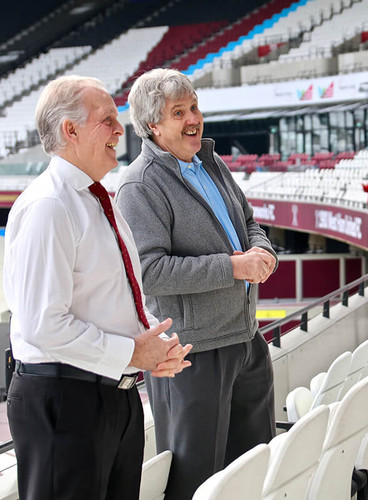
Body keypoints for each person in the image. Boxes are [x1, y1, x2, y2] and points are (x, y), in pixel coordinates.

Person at [3, 75, 192, 500]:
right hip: (65, 403)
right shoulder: (49, 207)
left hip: (112, 397)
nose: (119, 130)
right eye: (106, 120)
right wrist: (130, 353)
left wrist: (148, 350)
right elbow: (42, 326)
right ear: (70, 131)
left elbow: (111, 297)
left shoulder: (95, 199)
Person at [115, 68, 278, 500]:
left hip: (246, 338)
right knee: (196, 481)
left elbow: (248, 223)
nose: (193, 119)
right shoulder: (139, 186)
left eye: (194, 107)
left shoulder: (210, 161)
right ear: (153, 125)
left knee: (254, 468)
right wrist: (233, 267)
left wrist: (262, 254)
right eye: (178, 112)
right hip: (191, 353)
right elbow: (150, 272)